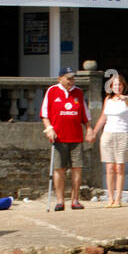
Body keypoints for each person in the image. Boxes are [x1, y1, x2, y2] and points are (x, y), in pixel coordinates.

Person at [41, 64, 91, 210]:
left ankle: (75, 200)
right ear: (60, 78)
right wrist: (49, 128)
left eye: (72, 78)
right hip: (59, 137)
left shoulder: (79, 93)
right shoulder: (52, 91)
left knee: (77, 168)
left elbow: (85, 115)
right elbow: (45, 114)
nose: (71, 81)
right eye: (68, 78)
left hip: (75, 136)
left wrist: (89, 129)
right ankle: (60, 200)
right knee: (59, 169)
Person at [89, 71, 128, 206]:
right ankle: (110, 198)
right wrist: (94, 132)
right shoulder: (108, 100)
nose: (117, 87)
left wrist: (122, 96)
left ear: (123, 86)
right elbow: (103, 117)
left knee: (119, 167)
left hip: (122, 134)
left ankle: (118, 198)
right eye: (114, 84)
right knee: (109, 167)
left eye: (119, 84)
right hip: (108, 134)